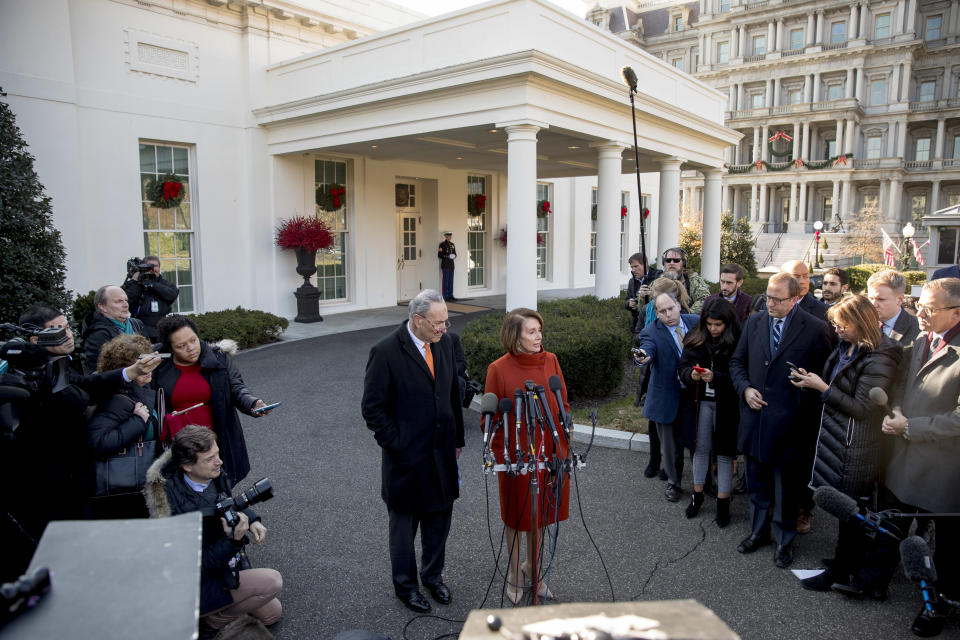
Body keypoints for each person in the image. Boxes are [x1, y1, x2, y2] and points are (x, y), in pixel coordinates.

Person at [1, 304, 161, 581]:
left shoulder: (61, 364)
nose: (68, 334)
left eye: (67, 326)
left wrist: (130, 372)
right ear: (35, 340)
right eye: (59, 329)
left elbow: (85, 385)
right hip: (44, 489)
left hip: (76, 479)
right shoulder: (17, 380)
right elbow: (70, 401)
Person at [787, 295, 901, 593]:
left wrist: (821, 387)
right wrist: (812, 381)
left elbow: (863, 408)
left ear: (860, 323)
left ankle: (839, 571)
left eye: (842, 325)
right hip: (836, 439)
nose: (836, 330)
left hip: (857, 446)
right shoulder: (846, 345)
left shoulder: (882, 355)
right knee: (845, 510)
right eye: (834, 324)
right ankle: (846, 561)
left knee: (852, 511)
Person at [361, 289, 465, 613]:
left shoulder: (447, 343)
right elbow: (372, 409)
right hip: (406, 460)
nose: (444, 328)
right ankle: (406, 588)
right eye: (437, 323)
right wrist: (398, 444)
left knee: (438, 522)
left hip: (442, 453)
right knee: (404, 530)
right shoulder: (385, 352)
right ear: (417, 320)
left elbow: (452, 393)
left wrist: (457, 440)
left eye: (446, 321)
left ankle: (433, 578)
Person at [872, 278, 960, 636]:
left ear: (956, 313)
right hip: (906, 456)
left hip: (945, 466)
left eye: (929, 308)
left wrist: (912, 427)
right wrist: (894, 411)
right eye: (918, 304)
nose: (919, 313)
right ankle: (873, 580)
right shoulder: (922, 339)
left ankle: (939, 605)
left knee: (948, 547)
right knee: (892, 522)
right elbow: (903, 386)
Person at [729, 272, 834, 568]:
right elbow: (737, 362)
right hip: (755, 420)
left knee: (786, 489)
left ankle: (784, 541)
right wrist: (746, 388)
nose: (770, 303)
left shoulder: (815, 329)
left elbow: (823, 376)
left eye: (777, 299)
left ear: (795, 298)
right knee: (758, 485)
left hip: (791, 426)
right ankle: (758, 532)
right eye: (768, 296)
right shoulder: (755, 322)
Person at [144, 426, 282, 631]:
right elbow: (195, 567)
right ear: (187, 466)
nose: (220, 462)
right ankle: (211, 622)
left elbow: (226, 501)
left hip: (222, 566)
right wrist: (233, 541)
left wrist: (252, 520)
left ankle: (221, 612)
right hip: (193, 583)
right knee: (272, 581)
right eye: (209, 458)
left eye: (217, 454)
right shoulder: (171, 507)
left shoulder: (212, 475)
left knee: (272, 613)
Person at [484, 308, 572, 604]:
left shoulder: (552, 361)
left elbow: (563, 406)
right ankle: (513, 573)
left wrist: (564, 445)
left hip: (550, 454)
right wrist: (503, 458)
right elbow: (491, 420)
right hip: (515, 459)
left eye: (539, 330)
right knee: (516, 517)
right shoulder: (498, 369)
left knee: (542, 515)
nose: (539, 336)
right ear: (515, 337)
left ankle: (534, 570)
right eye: (531, 332)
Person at [154, 315, 272, 485]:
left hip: (217, 442)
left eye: (193, 340)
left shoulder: (218, 358)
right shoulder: (159, 366)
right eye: (181, 346)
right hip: (180, 447)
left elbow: (236, 388)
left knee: (220, 489)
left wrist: (253, 403)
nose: (191, 348)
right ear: (170, 348)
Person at [676, 298, 742, 527]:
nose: (713, 329)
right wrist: (690, 375)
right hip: (700, 403)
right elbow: (683, 367)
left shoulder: (737, 340)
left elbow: (740, 377)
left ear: (728, 323)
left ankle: (723, 502)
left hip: (727, 405)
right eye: (710, 324)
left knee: (724, 453)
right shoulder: (697, 336)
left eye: (718, 325)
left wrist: (716, 378)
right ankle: (697, 495)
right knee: (700, 449)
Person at [87, 334, 163, 519]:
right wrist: (137, 422)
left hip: (138, 483)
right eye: (140, 364)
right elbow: (97, 442)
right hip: (125, 490)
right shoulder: (117, 398)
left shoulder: (139, 387)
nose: (147, 368)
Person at [634, 292, 700, 502]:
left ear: (679, 305)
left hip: (694, 395)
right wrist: (643, 358)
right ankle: (674, 482)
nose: (668, 314)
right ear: (657, 314)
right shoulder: (651, 331)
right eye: (662, 311)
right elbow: (647, 350)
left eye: (670, 308)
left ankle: (704, 482)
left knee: (699, 441)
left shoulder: (696, 322)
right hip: (666, 396)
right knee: (670, 447)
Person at [81, 285, 146, 372]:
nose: (126, 305)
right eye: (119, 301)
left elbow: (148, 352)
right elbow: (100, 372)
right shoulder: (97, 335)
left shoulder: (137, 324)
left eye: (126, 300)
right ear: (102, 307)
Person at [122, 255, 180, 340]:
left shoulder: (165, 284)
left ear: (159, 268)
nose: (153, 269)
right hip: (139, 327)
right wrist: (137, 281)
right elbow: (127, 299)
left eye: (156, 266)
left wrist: (152, 284)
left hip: (161, 327)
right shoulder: (135, 284)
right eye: (150, 266)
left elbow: (172, 294)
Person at [867, 269, 920, 346]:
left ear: (900, 299)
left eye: (881, 299)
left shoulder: (918, 328)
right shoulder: (860, 325)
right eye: (871, 298)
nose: (873, 304)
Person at [661, 247, 710, 312]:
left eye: (676, 260)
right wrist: (643, 297)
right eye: (668, 260)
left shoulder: (693, 280)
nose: (671, 263)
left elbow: (705, 299)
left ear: (684, 263)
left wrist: (688, 314)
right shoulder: (659, 281)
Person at [624, 252, 662, 334]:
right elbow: (627, 301)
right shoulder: (632, 282)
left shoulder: (658, 276)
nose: (633, 270)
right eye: (631, 267)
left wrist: (648, 294)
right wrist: (629, 303)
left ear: (645, 264)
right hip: (638, 324)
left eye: (636, 266)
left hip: (655, 322)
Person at [438, 231, 457, 302]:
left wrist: (454, 256)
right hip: (445, 264)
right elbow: (439, 255)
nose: (449, 237)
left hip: (451, 265)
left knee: (451, 281)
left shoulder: (452, 244)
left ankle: (451, 295)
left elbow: (455, 254)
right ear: (445, 236)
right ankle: (445, 296)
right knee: (445, 281)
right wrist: (447, 256)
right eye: (448, 235)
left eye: (450, 236)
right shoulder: (442, 245)